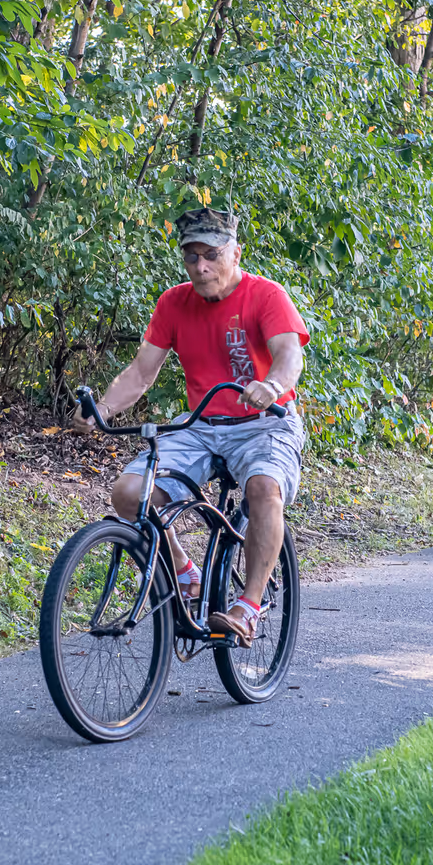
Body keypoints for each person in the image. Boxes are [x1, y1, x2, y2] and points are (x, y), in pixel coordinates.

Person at [79, 208, 310, 642]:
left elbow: (289, 354)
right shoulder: (173, 303)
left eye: (211, 255)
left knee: (263, 488)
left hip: (266, 423)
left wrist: (271, 384)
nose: (201, 267)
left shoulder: (266, 296)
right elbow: (141, 372)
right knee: (129, 494)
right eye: (191, 257)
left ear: (235, 253)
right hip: (201, 425)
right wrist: (103, 409)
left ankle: (248, 607)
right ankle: (187, 572)